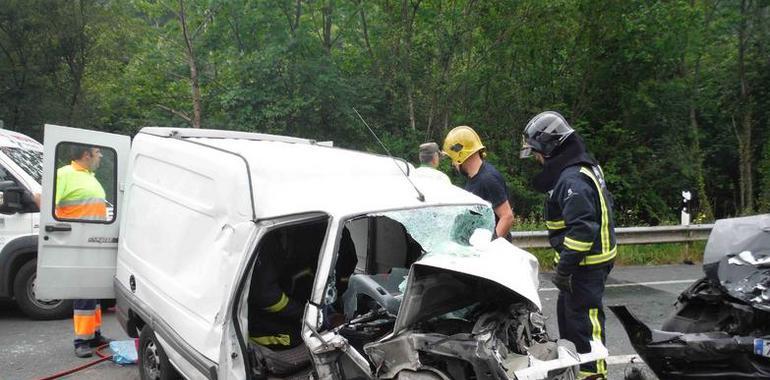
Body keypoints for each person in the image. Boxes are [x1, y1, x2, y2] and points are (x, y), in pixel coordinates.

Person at [520, 111, 616, 380]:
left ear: (550, 147)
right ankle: (579, 369)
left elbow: (583, 229)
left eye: (537, 151)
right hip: (583, 263)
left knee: (586, 327)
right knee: (571, 321)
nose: (537, 158)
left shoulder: (572, 179)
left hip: (586, 264)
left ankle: (594, 375)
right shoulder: (576, 168)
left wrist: (565, 268)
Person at [54, 145, 111, 358]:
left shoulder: (89, 176)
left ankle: (94, 335)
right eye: (98, 152)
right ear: (86, 154)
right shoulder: (64, 174)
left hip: (94, 242)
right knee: (84, 293)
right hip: (77, 241)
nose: (100, 156)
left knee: (93, 290)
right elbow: (43, 200)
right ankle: (81, 340)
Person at [443, 126, 514, 241]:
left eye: (453, 158)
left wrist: (489, 246)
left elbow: (507, 216)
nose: (453, 163)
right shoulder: (474, 179)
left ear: (461, 154)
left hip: (491, 254)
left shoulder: (487, 179)